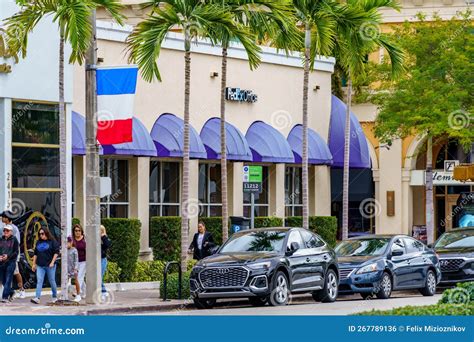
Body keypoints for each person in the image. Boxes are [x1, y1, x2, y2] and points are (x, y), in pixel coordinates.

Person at [31, 227, 59, 304]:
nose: (41, 235)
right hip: (40, 265)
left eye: (42, 233)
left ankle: (54, 296)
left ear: (46, 233)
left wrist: (52, 262)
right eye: (39, 234)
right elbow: (35, 254)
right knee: (39, 281)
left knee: (52, 281)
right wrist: (34, 264)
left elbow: (56, 252)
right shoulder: (38, 242)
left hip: (50, 265)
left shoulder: (52, 241)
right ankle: (37, 297)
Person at [1, 211, 25, 299]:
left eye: (3, 217)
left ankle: (21, 289)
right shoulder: (2, 227)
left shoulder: (14, 229)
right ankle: (8, 292)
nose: (1, 218)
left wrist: (11, 255)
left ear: (7, 218)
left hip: (12, 255)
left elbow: (17, 243)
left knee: (15, 272)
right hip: (3, 254)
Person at [0, 225, 19, 302]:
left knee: (8, 280)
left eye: (7, 231)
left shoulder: (14, 240)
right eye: (4, 230)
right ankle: (12, 292)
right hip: (1, 262)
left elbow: (16, 252)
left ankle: (5, 297)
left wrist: (8, 256)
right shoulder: (1, 239)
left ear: (11, 232)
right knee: (3, 280)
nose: (5, 232)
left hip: (11, 262)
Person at [72, 224, 86, 297]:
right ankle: (85, 292)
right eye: (76, 231)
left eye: (79, 230)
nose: (77, 232)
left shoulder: (85, 239)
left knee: (79, 276)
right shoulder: (72, 240)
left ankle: (76, 291)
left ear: (81, 231)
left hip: (84, 261)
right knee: (80, 277)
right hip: (75, 262)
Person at [67, 236, 81, 302]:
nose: (67, 244)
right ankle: (64, 295)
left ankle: (78, 295)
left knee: (76, 281)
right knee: (66, 282)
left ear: (71, 242)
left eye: (68, 242)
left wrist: (76, 268)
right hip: (67, 269)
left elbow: (76, 260)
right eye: (66, 242)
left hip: (73, 269)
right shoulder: (64, 250)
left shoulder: (74, 250)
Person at [100, 225, 111, 296]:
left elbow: (107, 245)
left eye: (101, 230)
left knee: (99, 276)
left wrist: (103, 236)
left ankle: (103, 291)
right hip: (94, 260)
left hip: (102, 259)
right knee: (95, 276)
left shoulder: (105, 239)